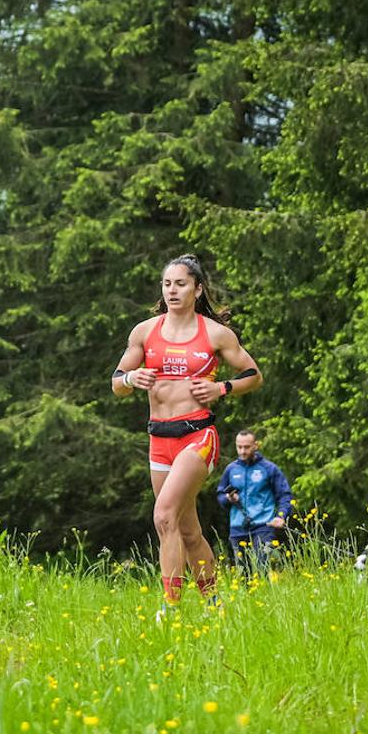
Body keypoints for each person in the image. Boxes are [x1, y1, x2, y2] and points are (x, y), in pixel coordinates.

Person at [111, 254, 262, 616]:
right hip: (159, 440)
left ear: (197, 289)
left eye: (180, 284)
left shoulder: (214, 334)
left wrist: (222, 389)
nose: (172, 290)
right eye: (167, 284)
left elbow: (253, 374)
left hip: (198, 436)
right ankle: (214, 603)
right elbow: (117, 383)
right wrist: (133, 379)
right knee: (187, 530)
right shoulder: (145, 331)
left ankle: (170, 609)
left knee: (163, 515)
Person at [216, 429, 294, 576]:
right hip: (238, 527)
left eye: (247, 447)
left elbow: (284, 495)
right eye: (239, 447)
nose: (243, 451)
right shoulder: (231, 469)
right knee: (243, 574)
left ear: (255, 445)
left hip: (264, 526)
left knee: (262, 568)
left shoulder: (269, 468)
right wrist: (228, 499)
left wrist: (281, 516)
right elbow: (220, 496)